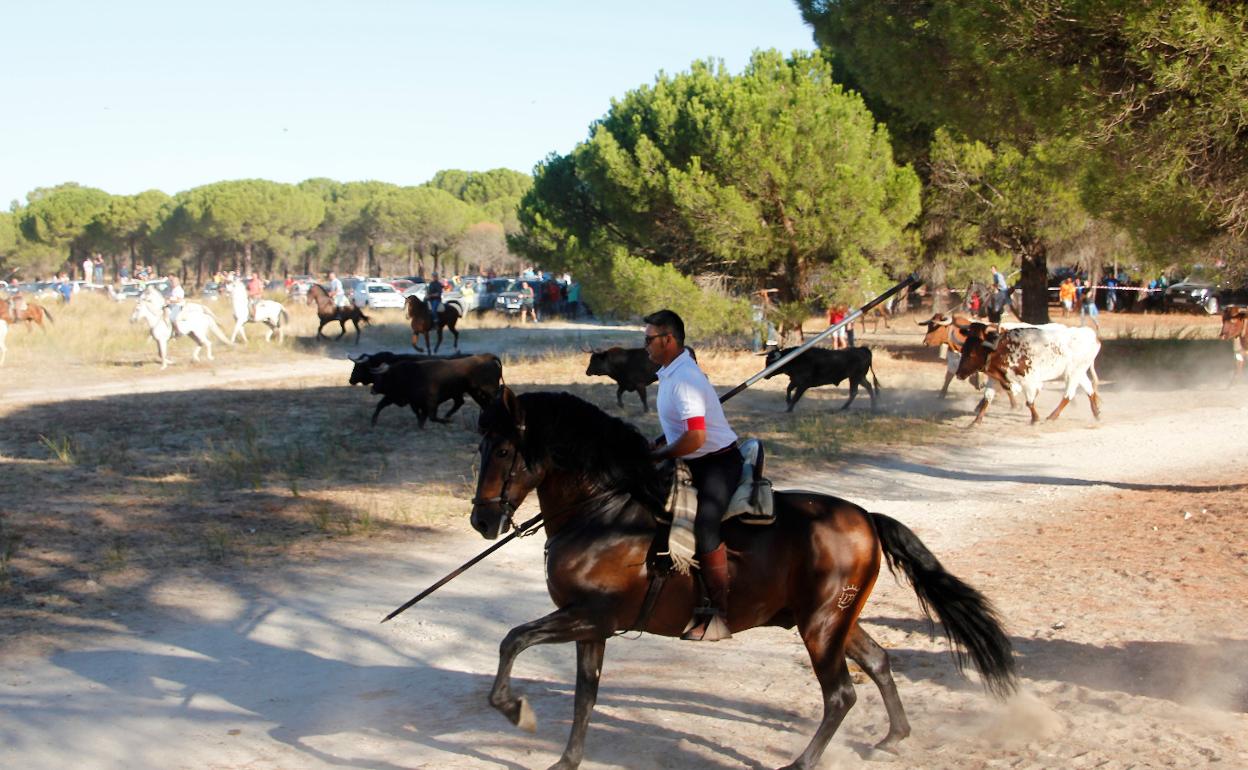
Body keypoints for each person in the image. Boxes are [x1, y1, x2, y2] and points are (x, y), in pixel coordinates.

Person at [644, 309, 741, 642]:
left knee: (705, 525)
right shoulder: (671, 372)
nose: (645, 346)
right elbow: (680, 431)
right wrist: (659, 443)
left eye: (649, 339)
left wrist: (661, 453)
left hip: (716, 463)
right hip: (691, 457)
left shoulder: (685, 380)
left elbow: (696, 438)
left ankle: (719, 614)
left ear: (668, 340)